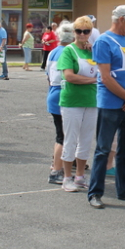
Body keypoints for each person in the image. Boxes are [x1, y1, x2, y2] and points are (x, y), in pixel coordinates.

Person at [87, 5, 125, 209]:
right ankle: (95, 192)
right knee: (103, 149)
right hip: (111, 103)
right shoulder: (104, 41)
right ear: (120, 19)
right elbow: (104, 77)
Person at [58, 16, 98, 192]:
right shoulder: (68, 51)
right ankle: (67, 177)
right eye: (79, 31)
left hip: (91, 100)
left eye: (86, 31)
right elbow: (69, 76)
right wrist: (92, 80)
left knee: (86, 140)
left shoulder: (92, 51)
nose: (82, 34)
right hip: (72, 101)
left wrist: (95, 51)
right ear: (74, 32)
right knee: (71, 139)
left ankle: (80, 175)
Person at [46, 21, 74, 185]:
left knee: (61, 134)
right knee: (63, 136)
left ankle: (59, 165)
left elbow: (48, 76)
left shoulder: (53, 52)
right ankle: (56, 170)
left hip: (53, 92)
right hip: (64, 94)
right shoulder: (70, 52)